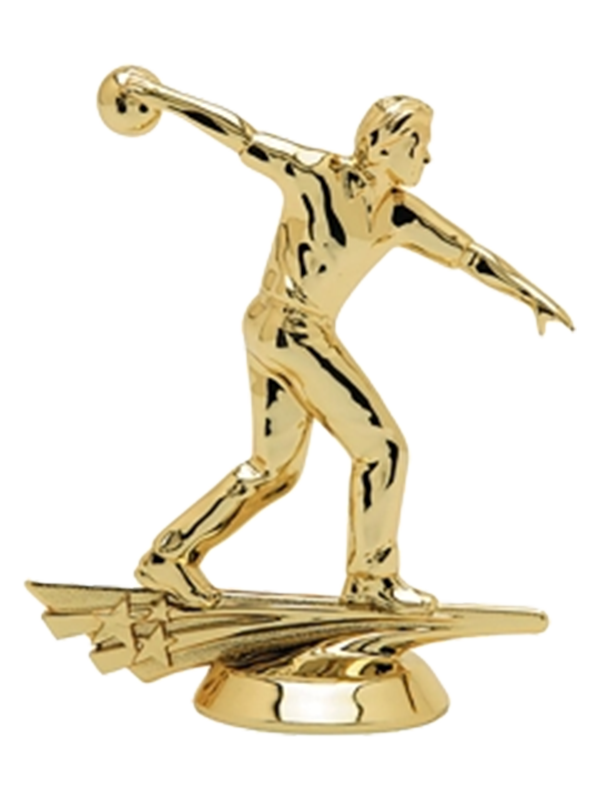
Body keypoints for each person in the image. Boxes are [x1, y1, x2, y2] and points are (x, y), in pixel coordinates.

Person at [111, 68, 574, 612]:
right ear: (379, 144)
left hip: (273, 329)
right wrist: (157, 96)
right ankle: (371, 579)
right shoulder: (315, 174)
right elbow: (241, 134)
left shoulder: (397, 213)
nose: (426, 156)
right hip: (292, 330)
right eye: (416, 143)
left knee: (273, 470)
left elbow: (469, 254)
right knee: (382, 449)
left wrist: (530, 295)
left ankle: (169, 557)